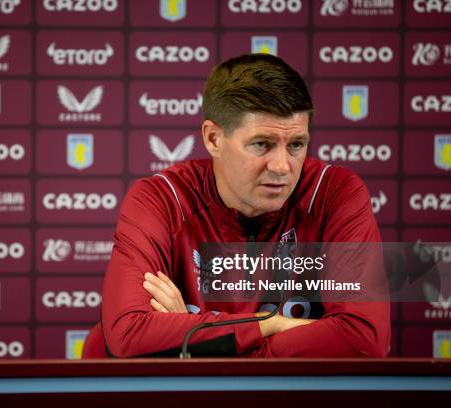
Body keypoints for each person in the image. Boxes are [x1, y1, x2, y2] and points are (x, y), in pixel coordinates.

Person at [86, 53, 390, 358]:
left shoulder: (333, 193)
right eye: (262, 144)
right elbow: (128, 334)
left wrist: (197, 337)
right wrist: (269, 325)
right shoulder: (161, 199)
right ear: (214, 138)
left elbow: (364, 339)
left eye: (296, 144)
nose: (283, 166)